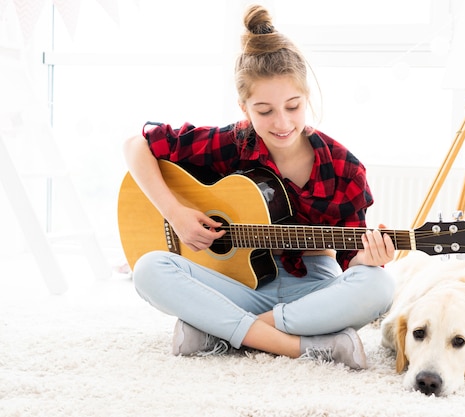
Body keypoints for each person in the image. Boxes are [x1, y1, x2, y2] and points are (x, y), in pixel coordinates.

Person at [122, 4, 395, 370]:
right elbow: (136, 145)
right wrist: (176, 214)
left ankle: (219, 332)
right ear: (244, 107)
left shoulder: (345, 168)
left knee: (379, 286)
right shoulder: (234, 142)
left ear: (306, 98)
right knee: (148, 269)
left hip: (310, 292)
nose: (282, 123)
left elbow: (352, 263)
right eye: (264, 111)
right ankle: (306, 347)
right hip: (237, 287)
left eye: (293, 106)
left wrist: (370, 256)